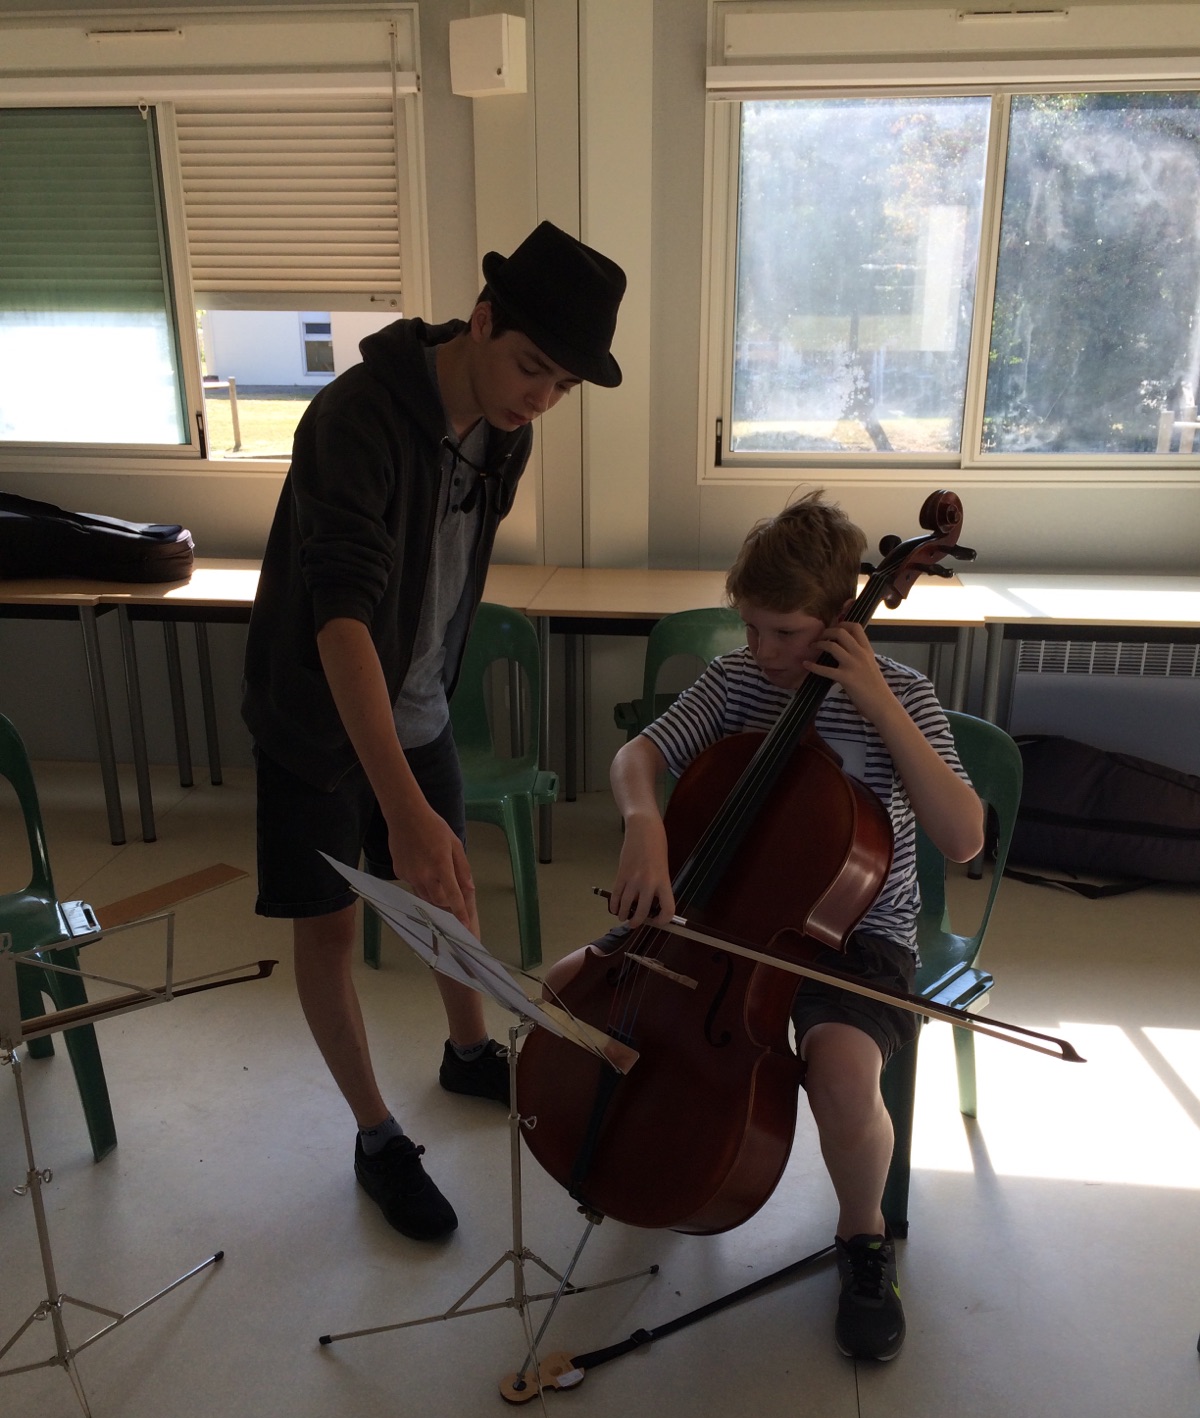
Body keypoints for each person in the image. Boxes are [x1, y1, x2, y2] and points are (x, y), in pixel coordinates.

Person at [242, 222, 626, 1243]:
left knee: (450, 894)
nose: (539, 399)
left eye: (561, 386)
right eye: (531, 368)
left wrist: (419, 797)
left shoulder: (507, 430)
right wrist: (401, 810)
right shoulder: (354, 420)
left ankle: (466, 1054)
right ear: (482, 321)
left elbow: (442, 577)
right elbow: (340, 621)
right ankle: (376, 1136)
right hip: (315, 714)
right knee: (330, 925)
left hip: (417, 704)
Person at [605, 489, 984, 1360]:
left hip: (858, 936)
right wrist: (643, 822)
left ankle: (862, 1237)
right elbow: (638, 755)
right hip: (723, 913)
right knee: (631, 1021)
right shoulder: (735, 681)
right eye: (751, 627)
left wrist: (880, 704)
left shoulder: (905, 695)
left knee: (844, 1077)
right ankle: (656, 1163)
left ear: (844, 618)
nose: (763, 652)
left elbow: (964, 838)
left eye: (785, 632)